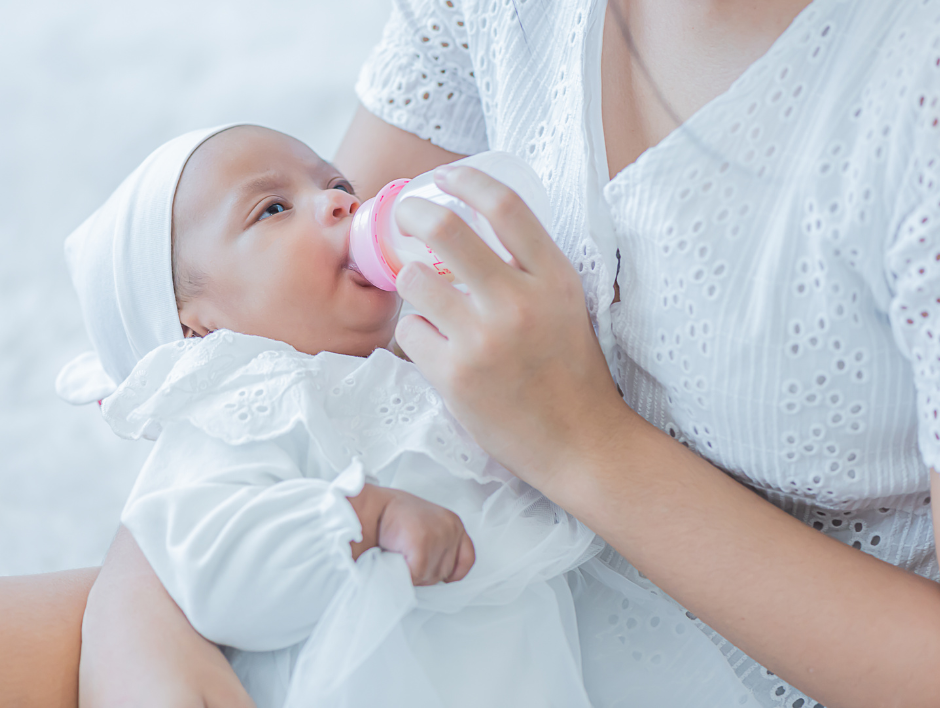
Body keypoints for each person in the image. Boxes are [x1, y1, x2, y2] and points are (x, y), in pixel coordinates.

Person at [6, 0, 940, 706]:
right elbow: (275, 353)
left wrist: (580, 442)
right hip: (438, 597)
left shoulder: (910, 87)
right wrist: (149, 600)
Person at [63, 122, 752, 708]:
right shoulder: (247, 400)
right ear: (198, 329)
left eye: (337, 186)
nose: (337, 203)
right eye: (273, 209)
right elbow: (211, 567)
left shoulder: (418, 362)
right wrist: (362, 518)